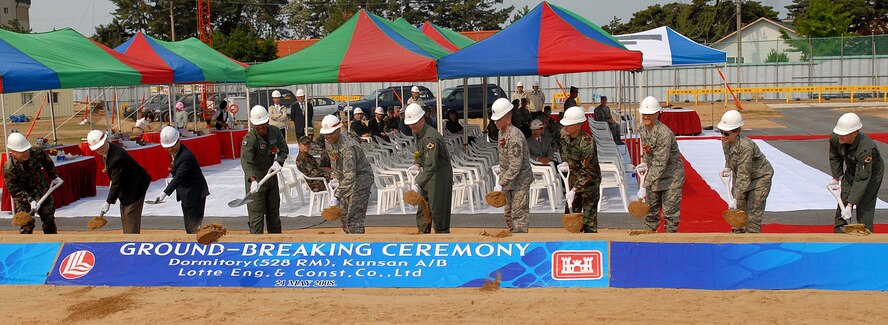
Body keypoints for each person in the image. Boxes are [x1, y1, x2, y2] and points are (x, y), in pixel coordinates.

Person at [718, 110, 773, 234]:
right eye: (721, 132)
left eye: (726, 133)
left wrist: (734, 198)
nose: (722, 136)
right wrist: (727, 168)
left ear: (737, 132)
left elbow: (744, 175)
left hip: (759, 179)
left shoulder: (746, 147)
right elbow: (729, 158)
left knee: (752, 218)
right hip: (742, 177)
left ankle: (752, 245)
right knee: (737, 217)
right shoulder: (725, 141)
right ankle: (737, 245)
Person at [87, 129, 151, 234]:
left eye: (101, 146)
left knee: (129, 213)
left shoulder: (117, 157)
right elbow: (115, 177)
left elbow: (116, 182)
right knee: (125, 210)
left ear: (106, 140)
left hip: (136, 185)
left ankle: (132, 241)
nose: (100, 150)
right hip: (126, 184)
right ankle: (128, 236)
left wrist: (108, 201)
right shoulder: (106, 151)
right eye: (97, 149)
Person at [829, 112, 884, 233]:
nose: (840, 137)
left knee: (864, 202)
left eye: (844, 134)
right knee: (844, 195)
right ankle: (840, 228)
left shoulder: (865, 149)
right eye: (839, 133)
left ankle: (865, 230)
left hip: (871, 171)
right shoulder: (836, 137)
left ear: (855, 133)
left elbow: (862, 179)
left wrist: (850, 205)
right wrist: (835, 177)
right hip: (852, 167)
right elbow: (834, 156)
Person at [636, 96, 684, 233]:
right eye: (644, 114)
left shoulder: (664, 134)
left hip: (671, 178)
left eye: (649, 114)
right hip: (654, 177)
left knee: (670, 214)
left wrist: (644, 184)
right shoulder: (643, 129)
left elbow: (660, 163)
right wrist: (644, 163)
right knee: (651, 213)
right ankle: (647, 240)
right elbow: (648, 151)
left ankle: (669, 243)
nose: (646, 116)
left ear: (657, 114)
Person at [406, 103, 453, 234]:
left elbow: (431, 165)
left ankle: (442, 236)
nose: (411, 126)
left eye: (414, 123)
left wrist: (417, 183)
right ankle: (422, 235)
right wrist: (417, 163)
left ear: (422, 119)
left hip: (439, 175)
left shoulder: (430, 137)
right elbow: (419, 151)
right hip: (426, 173)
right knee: (423, 208)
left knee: (438, 210)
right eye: (409, 123)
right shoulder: (416, 131)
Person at [321, 115, 373, 234]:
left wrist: (336, 196)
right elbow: (335, 161)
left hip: (361, 178)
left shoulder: (348, 147)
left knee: (354, 217)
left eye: (331, 133)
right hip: (345, 179)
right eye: (326, 134)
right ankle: (349, 238)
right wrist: (335, 176)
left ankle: (357, 244)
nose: (328, 137)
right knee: (344, 216)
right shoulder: (328, 142)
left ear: (338, 130)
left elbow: (351, 176)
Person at [241, 105, 288, 234]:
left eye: (263, 125)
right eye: (258, 127)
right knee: (256, 216)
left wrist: (279, 161)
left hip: (271, 177)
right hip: (255, 181)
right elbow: (246, 162)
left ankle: (276, 243)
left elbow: (284, 149)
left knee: (273, 213)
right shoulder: (249, 139)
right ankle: (256, 245)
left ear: (267, 121)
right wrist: (252, 180)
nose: (262, 129)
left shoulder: (275, 132)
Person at [3, 132, 61, 234]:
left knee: (49, 221)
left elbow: (48, 162)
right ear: (14, 152)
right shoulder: (9, 168)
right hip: (23, 196)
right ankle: (26, 246)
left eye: (26, 150)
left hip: (42, 190)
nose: (26, 153)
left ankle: (51, 245)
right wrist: (30, 200)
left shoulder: (36, 152)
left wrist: (54, 176)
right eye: (22, 152)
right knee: (26, 225)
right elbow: (15, 190)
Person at [156, 126, 210, 234]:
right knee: (189, 225)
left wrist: (164, 193)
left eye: (172, 147)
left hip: (194, 193)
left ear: (178, 141)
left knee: (194, 226)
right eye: (167, 148)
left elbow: (179, 177)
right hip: (185, 193)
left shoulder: (186, 156)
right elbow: (177, 173)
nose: (170, 150)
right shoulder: (175, 153)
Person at [491, 98, 533, 233]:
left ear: (508, 119)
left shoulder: (514, 135)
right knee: (508, 215)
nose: (495, 122)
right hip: (508, 181)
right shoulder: (501, 132)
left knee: (518, 215)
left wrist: (500, 183)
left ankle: (520, 242)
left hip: (520, 181)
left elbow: (516, 165)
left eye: (498, 119)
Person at [559, 106, 602, 233]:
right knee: (571, 218)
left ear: (578, 125)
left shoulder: (587, 143)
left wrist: (574, 190)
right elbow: (565, 154)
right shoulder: (564, 136)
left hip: (589, 183)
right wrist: (565, 164)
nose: (565, 127)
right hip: (573, 180)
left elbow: (589, 171)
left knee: (589, 220)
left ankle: (590, 243)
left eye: (569, 124)